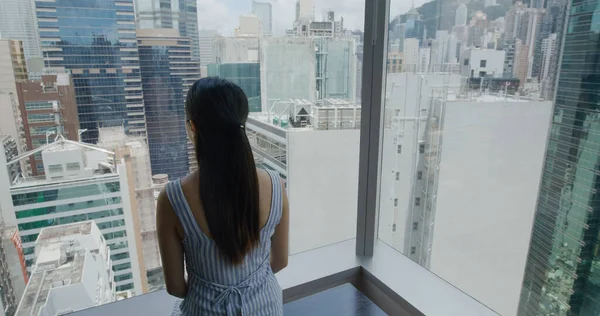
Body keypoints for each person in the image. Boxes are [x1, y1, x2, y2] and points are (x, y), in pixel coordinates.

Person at [156, 77, 289, 315]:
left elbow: (176, 287)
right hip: (266, 308)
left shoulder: (173, 198)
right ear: (242, 123)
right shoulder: (276, 186)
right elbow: (280, 261)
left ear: (193, 127)